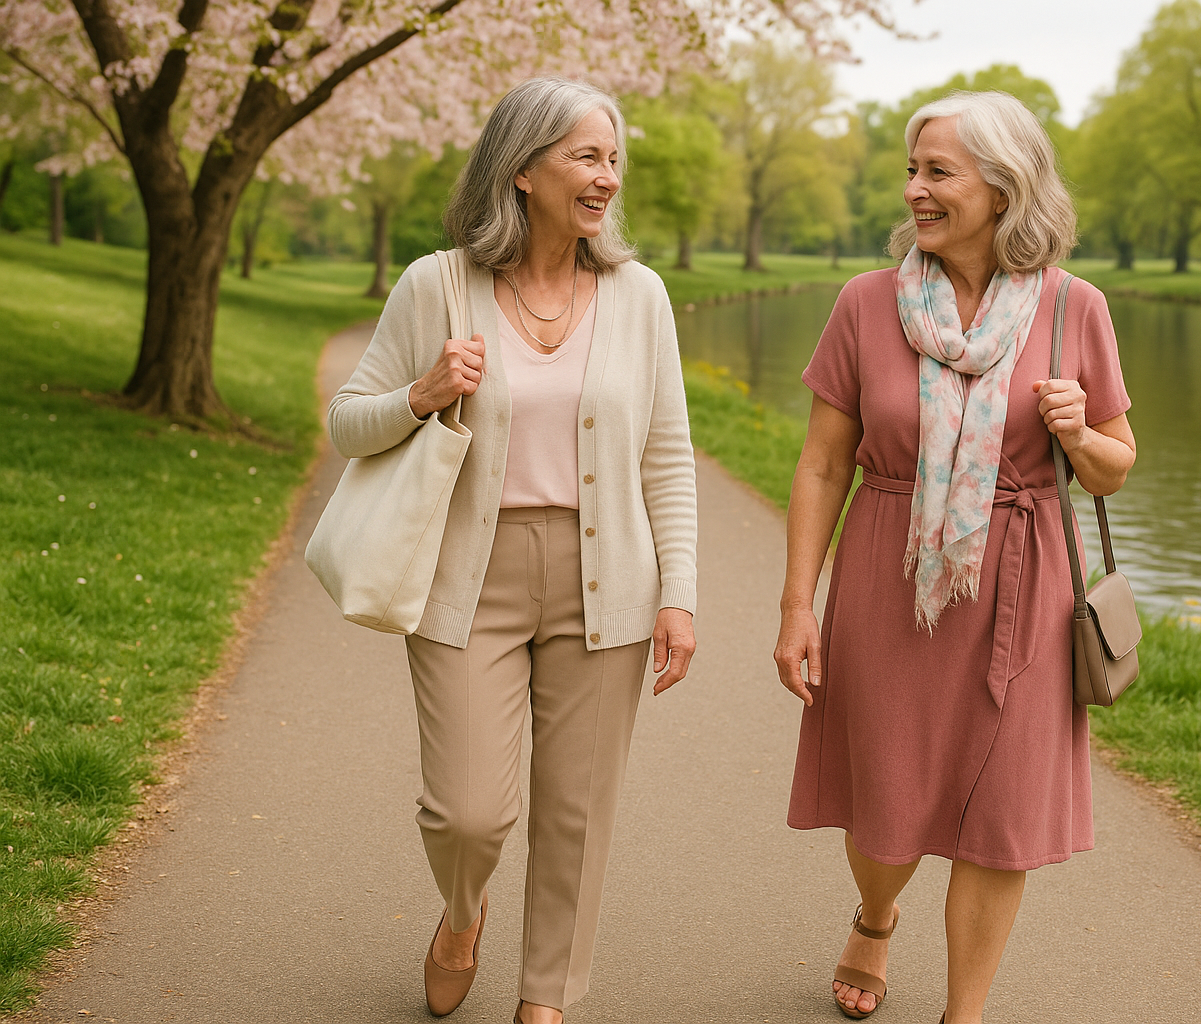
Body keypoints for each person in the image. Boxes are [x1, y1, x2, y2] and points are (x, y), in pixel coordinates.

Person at [328, 77, 697, 1024]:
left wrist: (679, 593)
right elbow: (344, 425)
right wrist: (418, 393)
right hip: (467, 578)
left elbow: (666, 453)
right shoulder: (437, 284)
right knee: (468, 814)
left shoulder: (639, 295)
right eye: (587, 156)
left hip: (606, 583)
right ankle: (463, 913)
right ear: (523, 170)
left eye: (614, 158)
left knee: (576, 817)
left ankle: (547, 1000)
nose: (607, 177)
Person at [772, 91, 1136, 1024]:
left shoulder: (1072, 309)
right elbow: (821, 465)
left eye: (938, 172)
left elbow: (1115, 465)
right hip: (891, 576)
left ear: (1004, 187)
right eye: (913, 169)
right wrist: (797, 605)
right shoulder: (867, 303)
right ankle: (877, 910)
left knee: (1001, 823)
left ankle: (962, 1014)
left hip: (1026, 583)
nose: (915, 190)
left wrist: (1078, 435)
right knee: (886, 809)